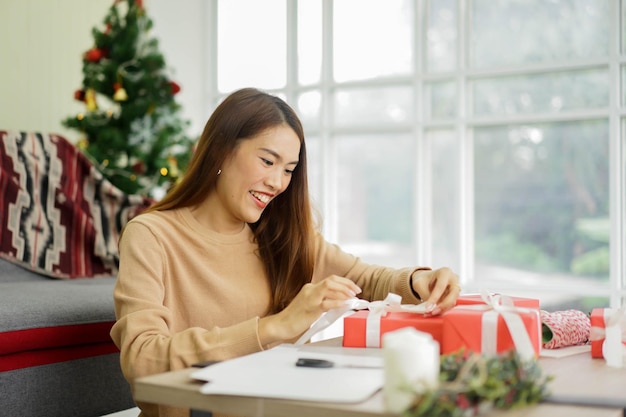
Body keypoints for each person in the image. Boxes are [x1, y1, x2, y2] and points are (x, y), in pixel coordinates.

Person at [110, 87, 461, 417]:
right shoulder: (151, 236)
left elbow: (368, 279)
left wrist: (419, 281)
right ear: (221, 150)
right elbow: (142, 359)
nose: (278, 182)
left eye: (289, 170)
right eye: (267, 161)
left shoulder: (280, 236)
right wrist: (276, 327)